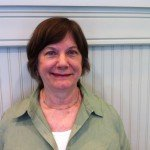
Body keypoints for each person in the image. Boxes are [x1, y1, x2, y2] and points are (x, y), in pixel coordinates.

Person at [0, 17, 130, 150]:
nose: (62, 63)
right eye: (51, 53)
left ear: (82, 62)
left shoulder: (109, 118)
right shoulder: (10, 123)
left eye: (71, 52)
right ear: (36, 64)